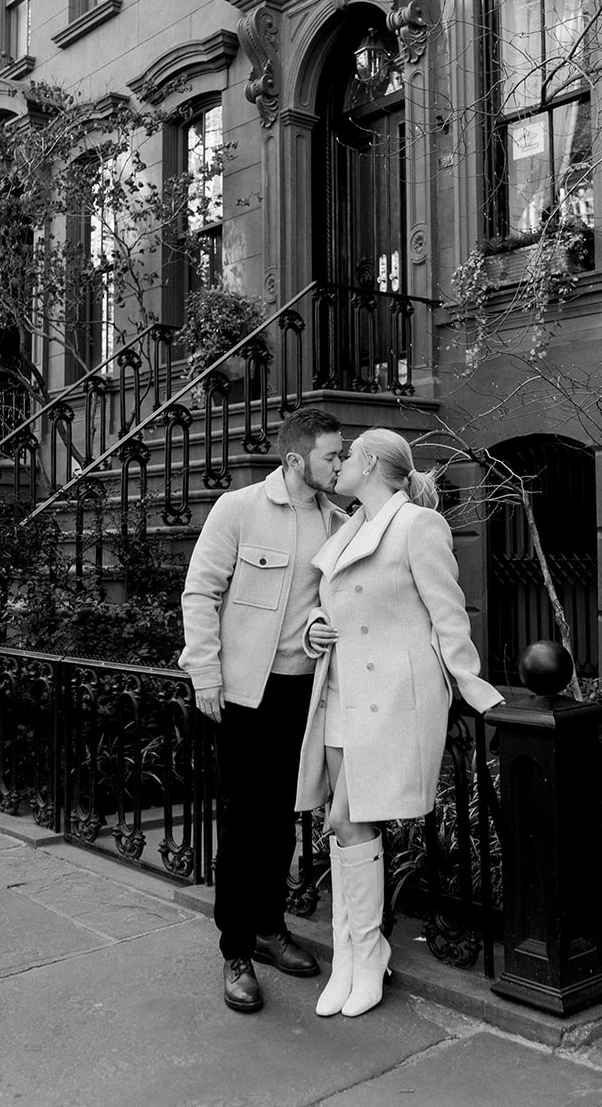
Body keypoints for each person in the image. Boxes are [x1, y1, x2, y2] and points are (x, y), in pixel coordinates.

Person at [296, 428, 504, 1018]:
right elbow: (333, 602)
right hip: (339, 690)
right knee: (343, 823)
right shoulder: (347, 527)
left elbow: (448, 611)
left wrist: (469, 681)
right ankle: (354, 956)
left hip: (388, 695)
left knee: (345, 817)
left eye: (346, 456)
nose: (336, 466)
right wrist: (314, 626)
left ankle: (363, 953)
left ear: (369, 462)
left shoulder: (416, 524)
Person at [179, 406, 347, 1013]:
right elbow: (201, 591)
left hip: (304, 691)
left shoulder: (336, 520)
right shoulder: (239, 509)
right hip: (245, 694)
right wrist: (204, 673)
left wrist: (317, 632)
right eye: (332, 455)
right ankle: (235, 949)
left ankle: (271, 928)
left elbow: (325, 604)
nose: (341, 463)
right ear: (298, 459)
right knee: (245, 821)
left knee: (283, 818)